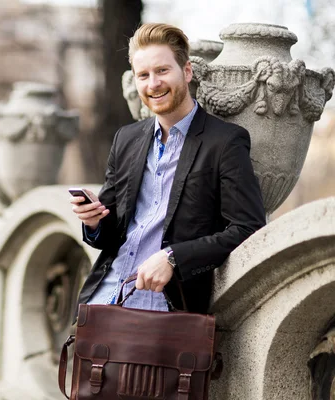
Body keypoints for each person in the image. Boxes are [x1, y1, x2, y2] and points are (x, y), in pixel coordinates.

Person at [70, 23, 266, 314]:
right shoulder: (126, 139)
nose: (153, 84)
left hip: (166, 310)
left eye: (162, 71)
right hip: (101, 301)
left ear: (186, 72)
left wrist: (174, 257)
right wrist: (94, 222)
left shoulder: (224, 142)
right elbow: (112, 232)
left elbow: (248, 227)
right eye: (143, 75)